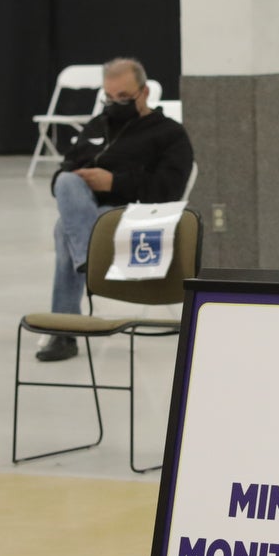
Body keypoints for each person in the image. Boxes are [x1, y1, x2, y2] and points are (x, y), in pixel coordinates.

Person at [36, 57, 194, 362]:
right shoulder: (97, 127)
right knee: (67, 181)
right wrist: (79, 178)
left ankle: (64, 331)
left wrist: (113, 182)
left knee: (62, 230)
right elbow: (63, 172)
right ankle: (89, 258)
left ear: (144, 92)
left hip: (138, 215)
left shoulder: (169, 134)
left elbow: (168, 191)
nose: (114, 104)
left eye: (123, 98)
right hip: (90, 212)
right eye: (109, 97)